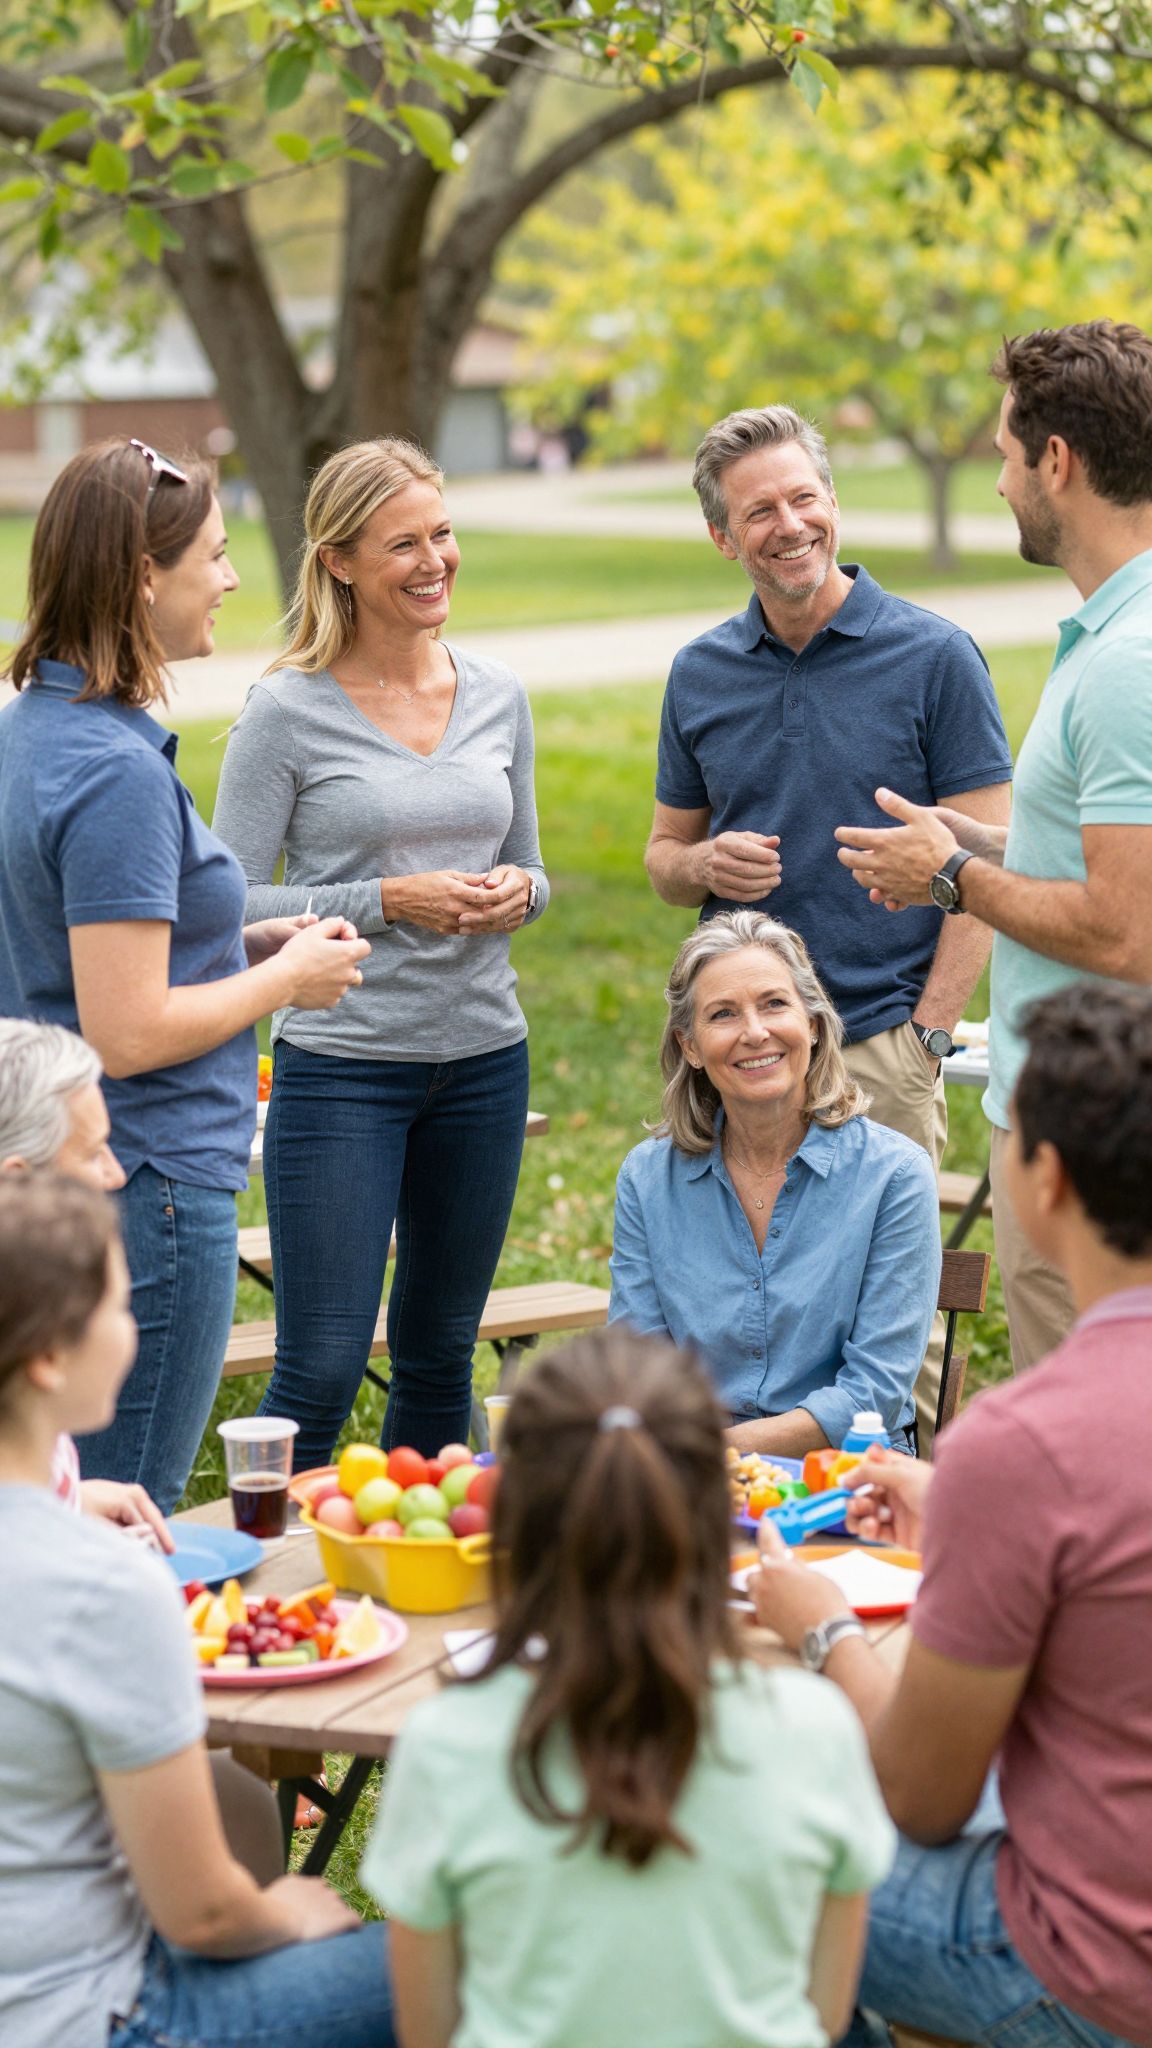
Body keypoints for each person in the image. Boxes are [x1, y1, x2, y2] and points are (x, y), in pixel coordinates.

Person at [750, 982, 1152, 2048]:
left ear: (1048, 1177)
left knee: (753, 1850)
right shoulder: (1022, 1462)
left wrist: (818, 1626)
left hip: (1095, 1972)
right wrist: (965, 1510)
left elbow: (921, 1795)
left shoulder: (1028, 1441)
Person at [0, 439, 369, 1512]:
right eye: (212, 554)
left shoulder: (36, 729)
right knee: (126, 1505)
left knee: (55, 1498)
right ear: (141, 577)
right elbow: (128, 1029)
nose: (234, 576)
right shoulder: (111, 772)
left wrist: (238, 944)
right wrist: (289, 977)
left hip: (76, 1168)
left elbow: (66, 952)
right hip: (147, 1180)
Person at [361, 1326, 894, 2048]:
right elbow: (823, 2017)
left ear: (513, 1525)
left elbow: (428, 2032)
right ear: (716, 1519)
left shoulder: (445, 1743)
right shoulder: (816, 1729)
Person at [644, 404, 1013, 1437]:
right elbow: (664, 860)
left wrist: (929, 1033)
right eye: (760, 510)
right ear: (725, 536)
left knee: (900, 1337)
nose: (789, 524)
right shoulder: (699, 674)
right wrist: (700, 861)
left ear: (834, 504)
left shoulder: (936, 656)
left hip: (883, 1043)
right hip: (740, 1045)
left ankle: (908, 1551)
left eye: (805, 497)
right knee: (743, 1311)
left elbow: (991, 858)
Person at [212, 437, 549, 1468]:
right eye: (402, 542)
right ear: (341, 561)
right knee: (318, 1362)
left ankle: (412, 1582)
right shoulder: (286, 711)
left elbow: (533, 868)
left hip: (485, 1062)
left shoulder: (498, 694)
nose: (433, 560)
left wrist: (515, 895)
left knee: (442, 1351)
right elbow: (225, 900)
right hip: (344, 1070)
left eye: (441, 533)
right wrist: (388, 899)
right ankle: (275, 1601)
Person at [0, 1173, 395, 2048]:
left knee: (237, 1798)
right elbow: (206, 1917)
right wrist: (284, 1912)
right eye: (114, 1301)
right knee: (465, 1959)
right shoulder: (102, 1583)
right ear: (48, 1360)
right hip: (92, 2016)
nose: (132, 1326)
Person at [835, 320, 1152, 1372]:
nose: (1002, 483)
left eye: (1009, 457)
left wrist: (955, 878)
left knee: (1106, 1464)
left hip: (1101, 1148)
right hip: (1093, 1127)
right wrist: (985, 840)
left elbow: (1126, 928)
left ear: (1057, 461)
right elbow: (1106, 854)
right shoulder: (1120, 634)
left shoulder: (1127, 663)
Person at [609, 913, 940, 1454]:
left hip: (844, 1469)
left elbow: (874, 1391)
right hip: (690, 1468)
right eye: (723, 1014)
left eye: (774, 1004)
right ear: (690, 1046)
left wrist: (723, 1454)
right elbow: (637, 1367)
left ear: (812, 1022)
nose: (755, 1032)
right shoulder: (648, 1179)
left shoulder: (895, 1176)